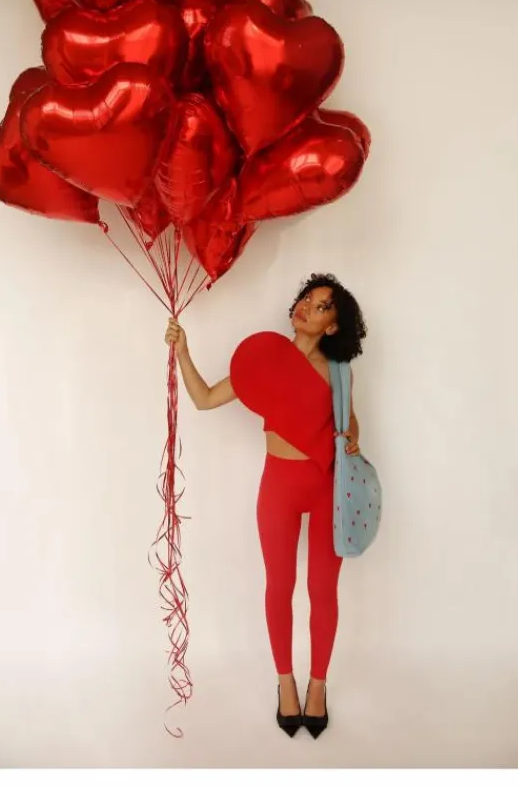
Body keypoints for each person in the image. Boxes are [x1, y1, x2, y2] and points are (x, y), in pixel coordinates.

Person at [164, 273, 367, 738]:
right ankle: (286, 682)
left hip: (328, 487)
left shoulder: (339, 371)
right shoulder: (265, 361)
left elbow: (351, 420)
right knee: (280, 585)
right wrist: (183, 352)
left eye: (321, 306)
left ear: (334, 326)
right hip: (278, 486)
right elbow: (205, 399)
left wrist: (352, 437)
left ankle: (318, 685)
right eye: (307, 298)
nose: (306, 306)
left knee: (323, 590)